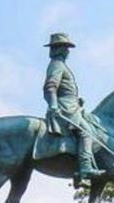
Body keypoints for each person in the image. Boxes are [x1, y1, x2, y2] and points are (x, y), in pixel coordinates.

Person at [42, 32, 100, 185]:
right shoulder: (57, 65)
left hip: (72, 105)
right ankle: (85, 167)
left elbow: (64, 89)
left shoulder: (61, 65)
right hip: (65, 108)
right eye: (65, 47)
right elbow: (50, 86)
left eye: (68, 48)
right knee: (86, 132)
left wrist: (76, 99)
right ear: (58, 49)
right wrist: (53, 104)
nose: (68, 51)